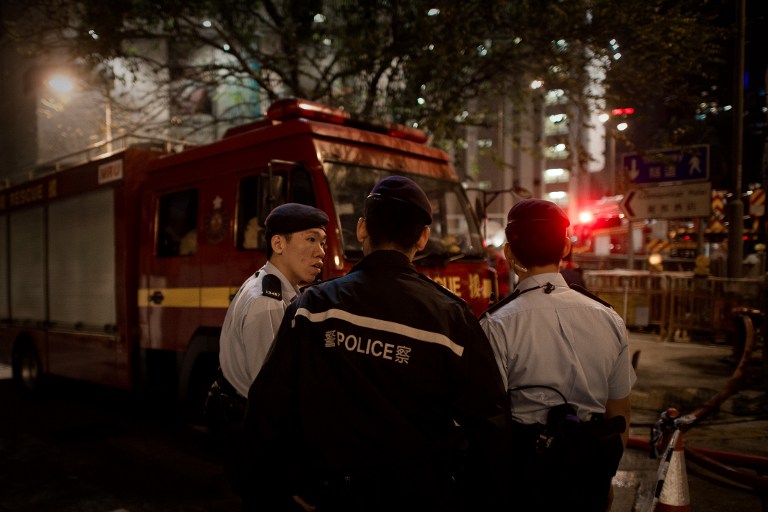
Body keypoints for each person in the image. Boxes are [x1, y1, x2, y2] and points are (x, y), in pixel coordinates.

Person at [242, 175, 508, 512]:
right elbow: (490, 429)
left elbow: (266, 411)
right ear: (423, 238)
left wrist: (275, 492)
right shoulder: (452, 320)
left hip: (327, 495)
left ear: (362, 229)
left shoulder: (313, 308)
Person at [480, 199, 636, 512]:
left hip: (524, 475)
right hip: (589, 472)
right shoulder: (609, 318)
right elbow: (619, 414)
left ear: (509, 251)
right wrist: (604, 480)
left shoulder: (496, 324)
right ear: (565, 247)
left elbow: (486, 421)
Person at [206, 202, 328, 498]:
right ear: (278, 243)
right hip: (252, 430)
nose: (321, 251)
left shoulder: (278, 289)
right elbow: (271, 396)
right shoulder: (268, 302)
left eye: (322, 242)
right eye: (311, 239)